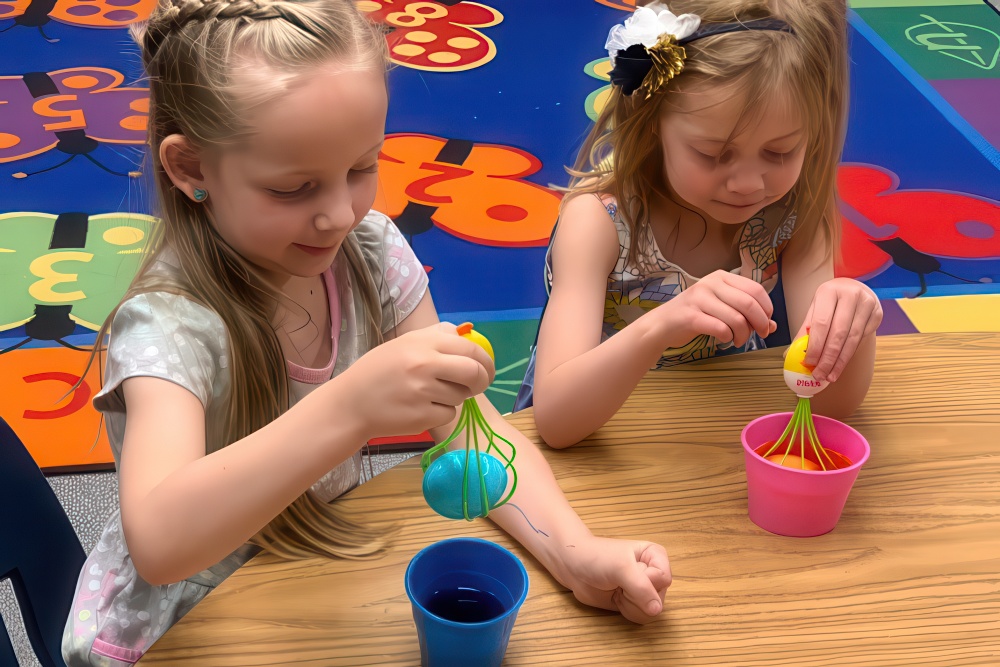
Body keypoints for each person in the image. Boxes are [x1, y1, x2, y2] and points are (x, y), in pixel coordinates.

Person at [61, 1, 672, 664]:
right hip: (184, 625)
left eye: (360, 168)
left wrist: (575, 554)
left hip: (317, 572)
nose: (336, 215)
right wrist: (350, 406)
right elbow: (160, 541)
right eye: (293, 188)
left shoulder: (370, 250)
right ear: (191, 169)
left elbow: (476, 430)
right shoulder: (169, 323)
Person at [515, 0, 883, 449]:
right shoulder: (598, 222)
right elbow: (555, 421)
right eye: (713, 154)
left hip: (712, 435)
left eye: (780, 152)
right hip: (601, 435)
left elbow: (829, 406)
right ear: (653, 125)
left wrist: (851, 330)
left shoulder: (795, 212)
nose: (748, 184)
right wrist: (662, 325)